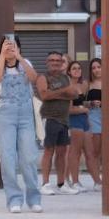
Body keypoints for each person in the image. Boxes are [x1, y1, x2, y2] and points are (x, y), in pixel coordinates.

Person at [0, 37, 44, 213]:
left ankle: (34, 198)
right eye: (7, 46)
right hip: (5, 116)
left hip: (25, 115)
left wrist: (19, 58)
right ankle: (14, 199)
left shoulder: (25, 62)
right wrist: (2, 56)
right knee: (7, 159)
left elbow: (34, 77)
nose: (11, 49)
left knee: (29, 157)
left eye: (14, 46)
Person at [37, 51, 78, 193]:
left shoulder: (66, 78)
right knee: (49, 150)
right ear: (47, 62)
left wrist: (58, 92)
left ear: (61, 63)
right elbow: (44, 95)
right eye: (52, 60)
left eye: (58, 60)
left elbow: (74, 94)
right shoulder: (43, 77)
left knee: (62, 151)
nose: (55, 62)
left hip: (64, 119)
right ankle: (45, 184)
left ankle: (61, 184)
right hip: (50, 118)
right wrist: (64, 92)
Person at [65, 58, 95, 192]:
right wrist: (83, 109)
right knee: (75, 152)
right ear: (69, 72)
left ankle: (96, 181)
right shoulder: (68, 88)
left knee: (89, 151)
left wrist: (90, 104)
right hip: (74, 121)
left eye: (79, 68)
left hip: (85, 120)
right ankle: (75, 181)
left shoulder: (82, 86)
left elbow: (82, 103)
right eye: (74, 69)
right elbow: (69, 109)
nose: (77, 70)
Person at [84, 55, 104, 189]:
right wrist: (91, 102)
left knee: (106, 151)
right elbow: (80, 102)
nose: (96, 70)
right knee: (95, 150)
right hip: (94, 116)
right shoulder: (88, 84)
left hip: (108, 117)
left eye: (99, 67)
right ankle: (97, 181)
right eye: (93, 68)